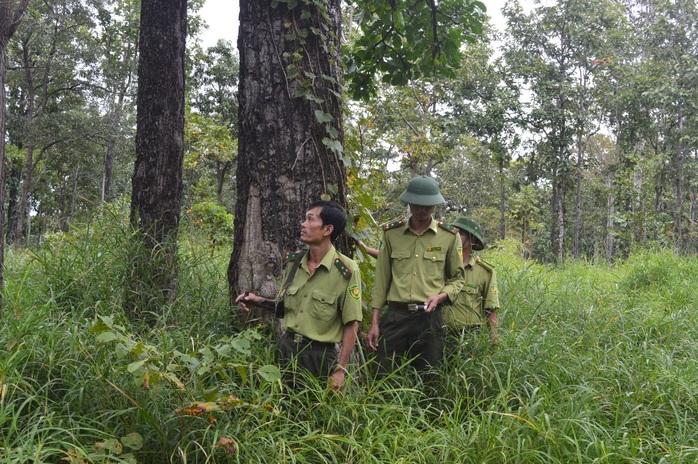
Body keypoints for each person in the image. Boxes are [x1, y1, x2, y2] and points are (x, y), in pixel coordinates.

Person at [236, 201, 363, 390]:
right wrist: (258, 302)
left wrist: (340, 370)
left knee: (316, 415)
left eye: (310, 219)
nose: (303, 224)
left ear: (327, 229)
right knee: (283, 410)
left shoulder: (346, 270)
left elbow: (351, 323)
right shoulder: (295, 262)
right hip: (286, 349)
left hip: (319, 356)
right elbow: (287, 306)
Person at [366, 176, 465, 374]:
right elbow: (381, 280)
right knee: (382, 373)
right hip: (396, 315)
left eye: (427, 206)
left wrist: (440, 297)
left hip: (429, 318)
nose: (421, 210)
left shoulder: (449, 236)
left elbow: (457, 278)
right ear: (409, 203)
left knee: (429, 376)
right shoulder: (391, 234)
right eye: (417, 205)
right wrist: (374, 323)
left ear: (435, 205)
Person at [444, 217, 500, 350]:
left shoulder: (485, 271)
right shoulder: (440, 265)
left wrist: (494, 342)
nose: (455, 236)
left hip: (469, 335)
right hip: (440, 334)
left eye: (461, 233)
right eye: (454, 232)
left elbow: (490, 310)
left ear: (472, 239)